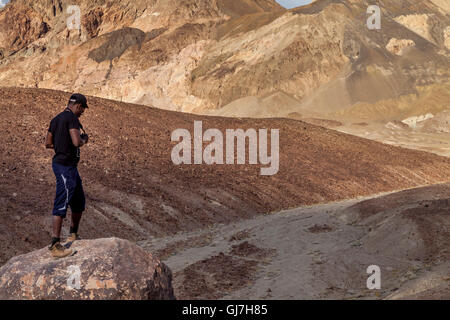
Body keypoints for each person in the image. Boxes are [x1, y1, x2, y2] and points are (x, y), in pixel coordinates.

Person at [45, 93, 89, 258]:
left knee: (78, 200)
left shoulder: (55, 119)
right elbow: (76, 142)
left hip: (68, 166)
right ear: (78, 105)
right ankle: (55, 245)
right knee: (62, 201)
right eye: (83, 109)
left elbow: (48, 143)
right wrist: (84, 139)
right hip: (65, 167)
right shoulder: (72, 119)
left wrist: (60, 144)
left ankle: (73, 234)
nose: (82, 112)